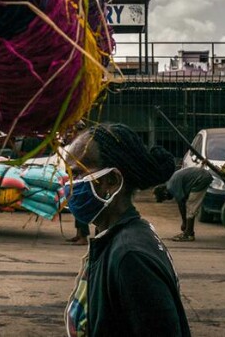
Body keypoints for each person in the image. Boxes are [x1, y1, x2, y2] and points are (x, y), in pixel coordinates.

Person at [63, 123, 191, 337]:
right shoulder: (113, 238)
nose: (69, 185)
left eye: (77, 175)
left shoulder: (131, 257)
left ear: (111, 181)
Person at [153, 166, 213, 242]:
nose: (168, 199)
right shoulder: (170, 184)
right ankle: (188, 231)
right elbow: (183, 199)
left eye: (165, 199)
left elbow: (181, 203)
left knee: (191, 207)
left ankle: (189, 234)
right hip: (202, 176)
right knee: (190, 207)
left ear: (164, 193)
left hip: (201, 178)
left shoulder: (171, 187)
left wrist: (184, 222)